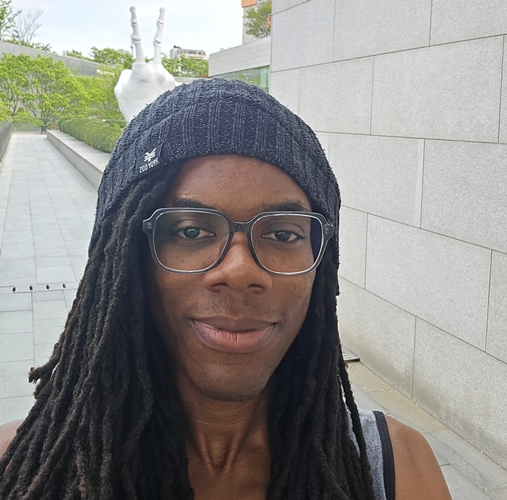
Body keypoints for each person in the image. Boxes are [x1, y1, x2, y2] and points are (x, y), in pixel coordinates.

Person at [0, 79, 452, 500]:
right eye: (191, 231)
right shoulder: (18, 471)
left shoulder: (397, 468)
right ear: (121, 259)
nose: (239, 272)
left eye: (283, 234)